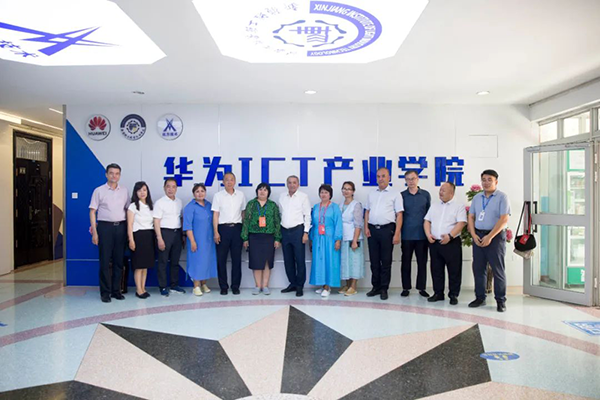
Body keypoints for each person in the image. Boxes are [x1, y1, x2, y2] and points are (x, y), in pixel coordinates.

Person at [468, 169, 511, 312]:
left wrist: (490, 236)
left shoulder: (502, 197)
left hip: (495, 237)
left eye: (489, 180)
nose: (486, 183)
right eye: (484, 180)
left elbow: (504, 219)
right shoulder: (477, 197)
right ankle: (480, 297)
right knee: (478, 268)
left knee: (498, 270)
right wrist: (473, 235)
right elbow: (471, 217)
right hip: (478, 235)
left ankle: (500, 300)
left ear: (496, 182)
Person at [89, 163, 129, 303]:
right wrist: (95, 232)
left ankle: (116, 291)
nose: (114, 176)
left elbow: (128, 210)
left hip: (121, 227)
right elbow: (92, 211)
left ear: (120, 175)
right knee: (105, 261)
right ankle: (105, 293)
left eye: (117, 173)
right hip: (105, 228)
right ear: (106, 174)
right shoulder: (99, 191)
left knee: (119, 261)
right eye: (111, 173)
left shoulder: (124, 191)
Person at [423, 182, 467, 305]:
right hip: (435, 243)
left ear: (451, 193)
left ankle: (453, 295)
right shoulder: (434, 205)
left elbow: (461, 223)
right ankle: (438, 293)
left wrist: (450, 236)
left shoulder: (459, 206)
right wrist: (428, 234)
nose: (440, 192)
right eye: (440, 190)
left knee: (454, 270)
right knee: (436, 269)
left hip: (451, 243)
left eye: (444, 190)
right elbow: (427, 221)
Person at [364, 167, 404, 300]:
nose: (380, 179)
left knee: (386, 261)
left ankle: (384, 288)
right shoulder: (371, 193)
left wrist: (397, 233)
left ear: (389, 178)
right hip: (372, 230)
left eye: (383, 176)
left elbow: (399, 215)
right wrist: (366, 227)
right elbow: (367, 211)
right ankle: (375, 287)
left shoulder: (395, 194)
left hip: (387, 230)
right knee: (374, 261)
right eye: (378, 176)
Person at [241, 183, 281, 295]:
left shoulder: (272, 205)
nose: (262, 192)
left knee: (267, 262)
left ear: (268, 192)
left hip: (269, 237)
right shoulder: (251, 204)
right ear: (257, 191)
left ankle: (265, 286)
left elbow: (277, 222)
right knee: (256, 262)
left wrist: (277, 238)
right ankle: (257, 286)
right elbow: (246, 222)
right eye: (260, 189)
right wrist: (245, 238)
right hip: (254, 237)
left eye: (265, 190)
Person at [212, 172, 247, 295]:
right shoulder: (218, 196)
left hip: (237, 229)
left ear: (235, 181)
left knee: (236, 259)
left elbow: (243, 214)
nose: (229, 182)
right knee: (221, 259)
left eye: (231, 179)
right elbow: (215, 215)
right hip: (223, 229)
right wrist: (216, 232)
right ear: (223, 182)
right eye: (226, 180)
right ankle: (223, 286)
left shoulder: (241, 195)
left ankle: (235, 286)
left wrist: (245, 232)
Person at [278, 175, 312, 297]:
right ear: (287, 184)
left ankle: (299, 286)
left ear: (298, 184)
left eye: (294, 182)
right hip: (284, 231)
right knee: (288, 259)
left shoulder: (303, 197)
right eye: (290, 182)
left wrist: (306, 232)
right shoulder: (282, 196)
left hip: (298, 231)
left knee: (299, 259)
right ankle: (292, 283)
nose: (292, 185)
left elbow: (307, 215)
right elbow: (280, 214)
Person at [400, 170, 431, 298]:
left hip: (422, 235)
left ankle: (421, 288)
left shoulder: (425, 195)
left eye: (413, 178)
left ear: (417, 179)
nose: (411, 181)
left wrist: (429, 233)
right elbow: (399, 215)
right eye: (408, 179)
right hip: (406, 234)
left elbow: (429, 215)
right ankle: (406, 287)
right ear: (405, 181)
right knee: (405, 262)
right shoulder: (402, 195)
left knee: (422, 263)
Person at [183, 183, 217, 297]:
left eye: (202, 191)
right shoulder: (190, 207)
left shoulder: (209, 205)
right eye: (197, 191)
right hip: (196, 239)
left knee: (206, 262)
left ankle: (203, 284)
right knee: (196, 262)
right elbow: (188, 226)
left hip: (208, 240)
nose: (200, 193)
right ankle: (196, 286)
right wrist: (192, 241)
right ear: (193, 193)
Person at [153, 178, 186, 297]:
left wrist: (182, 235)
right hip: (164, 233)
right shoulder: (160, 203)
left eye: (173, 187)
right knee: (163, 261)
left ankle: (174, 285)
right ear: (164, 188)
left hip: (177, 233)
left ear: (176, 188)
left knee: (175, 261)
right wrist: (159, 238)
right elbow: (156, 221)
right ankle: (162, 286)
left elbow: (180, 218)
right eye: (168, 186)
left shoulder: (179, 202)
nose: (171, 189)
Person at [309, 184, 343, 297]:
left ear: (330, 194)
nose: (323, 194)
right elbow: (312, 224)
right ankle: (322, 284)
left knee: (330, 261)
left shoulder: (334, 207)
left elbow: (338, 224)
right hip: (317, 238)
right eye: (322, 192)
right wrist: (311, 238)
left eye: (326, 192)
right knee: (319, 261)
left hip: (330, 238)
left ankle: (328, 286)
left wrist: (338, 239)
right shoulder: (316, 207)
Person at [126, 181, 155, 299]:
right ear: (135, 192)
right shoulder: (132, 206)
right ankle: (138, 290)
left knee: (145, 265)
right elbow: (129, 224)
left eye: (144, 190)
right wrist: (131, 240)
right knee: (138, 265)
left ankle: (143, 288)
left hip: (149, 236)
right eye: (139, 190)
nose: (142, 192)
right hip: (138, 236)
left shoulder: (151, 206)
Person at [338, 181, 364, 296]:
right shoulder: (340, 204)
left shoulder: (356, 205)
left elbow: (358, 224)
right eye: (344, 188)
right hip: (343, 237)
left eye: (349, 189)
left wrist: (354, 240)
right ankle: (347, 285)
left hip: (353, 238)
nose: (346, 191)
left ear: (353, 191)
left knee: (354, 262)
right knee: (345, 262)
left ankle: (353, 286)